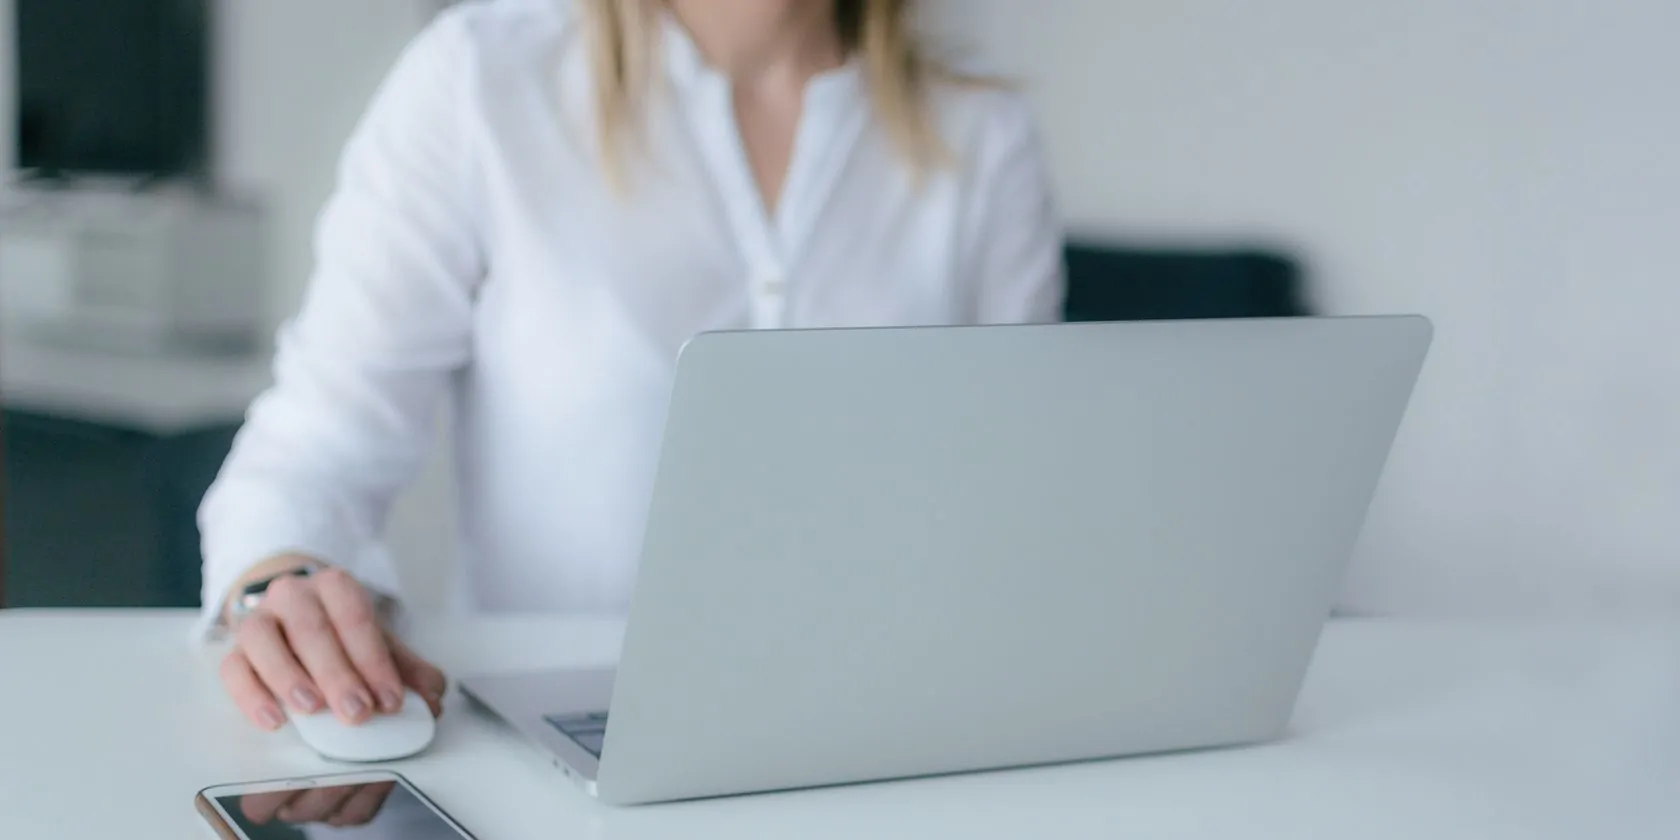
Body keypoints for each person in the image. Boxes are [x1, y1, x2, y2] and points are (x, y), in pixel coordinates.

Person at [202, 0, 1065, 733]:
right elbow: (315, 451)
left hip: (890, 735)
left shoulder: (983, 137)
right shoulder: (481, 81)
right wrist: (279, 585)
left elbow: (1014, 506)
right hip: (558, 744)